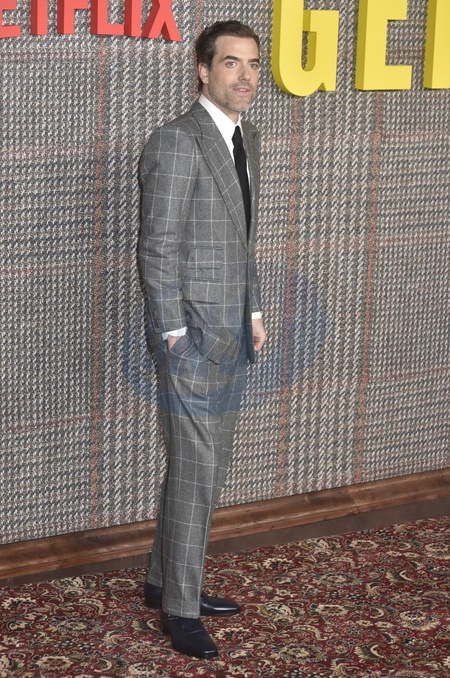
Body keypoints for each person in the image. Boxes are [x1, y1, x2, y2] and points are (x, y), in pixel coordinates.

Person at [138, 19, 266, 659]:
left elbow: (241, 243)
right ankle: (181, 611)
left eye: (253, 64)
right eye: (231, 63)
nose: (245, 76)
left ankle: (162, 580)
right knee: (196, 473)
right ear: (202, 69)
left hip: (232, 332)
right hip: (188, 337)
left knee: (205, 470)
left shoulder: (247, 137)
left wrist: (253, 311)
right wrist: (172, 334)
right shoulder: (175, 141)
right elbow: (156, 247)